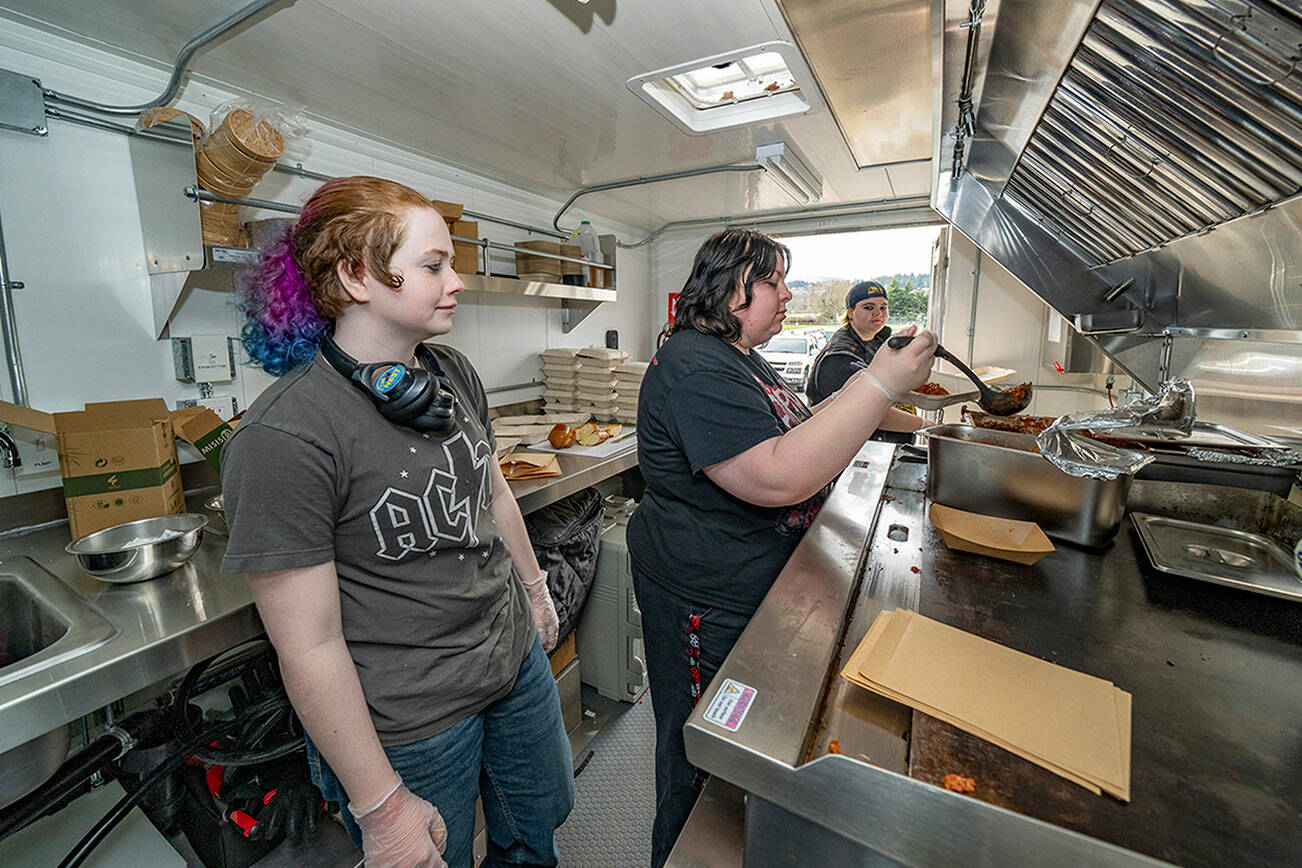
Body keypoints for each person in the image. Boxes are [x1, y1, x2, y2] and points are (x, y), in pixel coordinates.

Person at [219, 176, 574, 868]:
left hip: (514, 664)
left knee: (536, 832)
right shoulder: (282, 436)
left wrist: (535, 592)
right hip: (411, 719)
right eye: (433, 265)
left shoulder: (452, 373)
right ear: (356, 277)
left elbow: (493, 490)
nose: (457, 282)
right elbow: (310, 645)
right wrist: (381, 808)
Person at [629, 229, 936, 866]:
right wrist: (880, 384)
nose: (788, 295)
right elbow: (774, 476)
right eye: (772, 282)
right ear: (729, 289)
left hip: (754, 586)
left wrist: (870, 392)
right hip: (705, 598)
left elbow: (800, 425)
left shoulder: (740, 354)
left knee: (744, 755)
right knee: (700, 762)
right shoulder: (693, 363)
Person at [804, 282, 927, 442]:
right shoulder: (840, 357)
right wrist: (925, 425)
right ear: (851, 313)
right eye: (869, 307)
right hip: (850, 448)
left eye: (883, 307)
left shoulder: (878, 340)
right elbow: (866, 410)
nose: (878, 313)